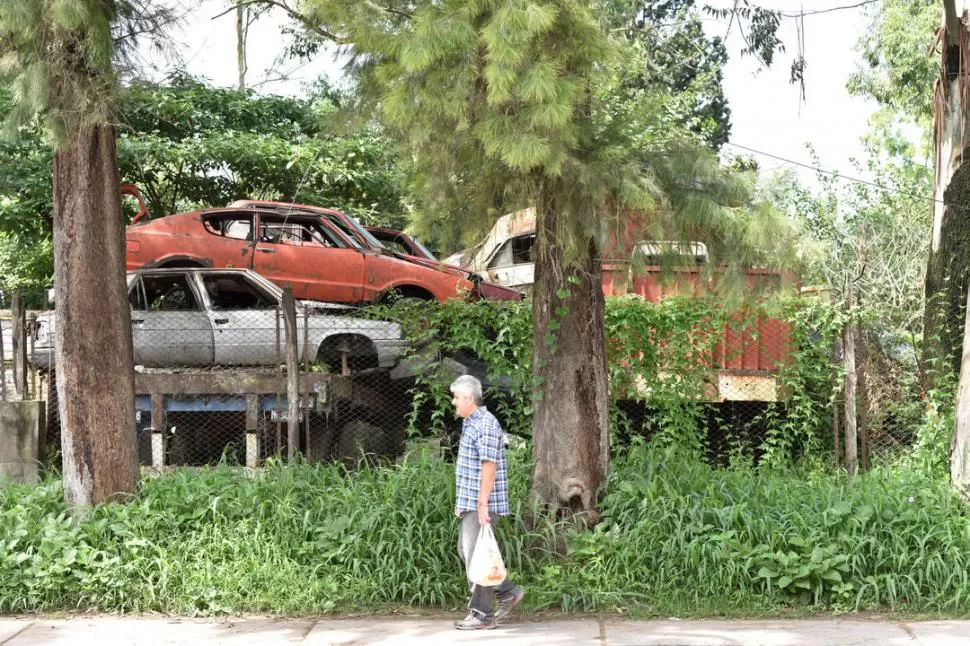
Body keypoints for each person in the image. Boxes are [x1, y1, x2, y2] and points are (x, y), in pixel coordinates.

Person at [450, 375, 524, 630]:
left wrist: (482, 505)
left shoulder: (485, 425)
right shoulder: (471, 422)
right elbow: (470, 468)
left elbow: (488, 466)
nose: (453, 402)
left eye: (456, 397)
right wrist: (462, 502)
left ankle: (482, 614)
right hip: (472, 501)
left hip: (484, 504)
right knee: (466, 551)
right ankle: (507, 592)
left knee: (476, 555)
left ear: (469, 398)